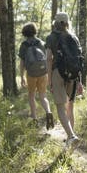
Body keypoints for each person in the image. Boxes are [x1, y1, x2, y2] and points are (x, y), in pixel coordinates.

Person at [45, 12, 82, 148]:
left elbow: (49, 58)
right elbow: (79, 60)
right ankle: (70, 137)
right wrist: (79, 80)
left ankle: (71, 136)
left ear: (55, 23)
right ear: (67, 23)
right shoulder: (74, 37)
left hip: (57, 72)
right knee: (70, 106)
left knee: (60, 106)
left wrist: (49, 79)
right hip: (72, 74)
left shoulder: (51, 37)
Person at [18, 22, 54, 129]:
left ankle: (34, 119)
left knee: (31, 96)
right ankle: (48, 112)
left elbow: (22, 63)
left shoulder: (24, 45)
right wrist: (48, 72)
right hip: (43, 73)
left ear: (24, 33)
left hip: (31, 74)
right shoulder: (41, 43)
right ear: (34, 31)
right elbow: (47, 59)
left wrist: (22, 76)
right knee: (43, 96)